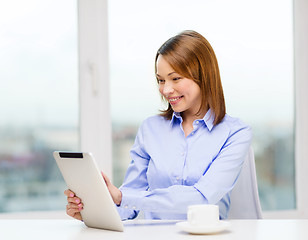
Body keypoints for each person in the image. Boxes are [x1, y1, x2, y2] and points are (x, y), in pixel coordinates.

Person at [64, 30, 252, 221]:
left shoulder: (235, 133)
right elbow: (128, 204)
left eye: (175, 78)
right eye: (161, 80)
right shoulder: (150, 129)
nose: (166, 90)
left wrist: (122, 197)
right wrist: (91, 212)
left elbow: (202, 198)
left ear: (203, 76)